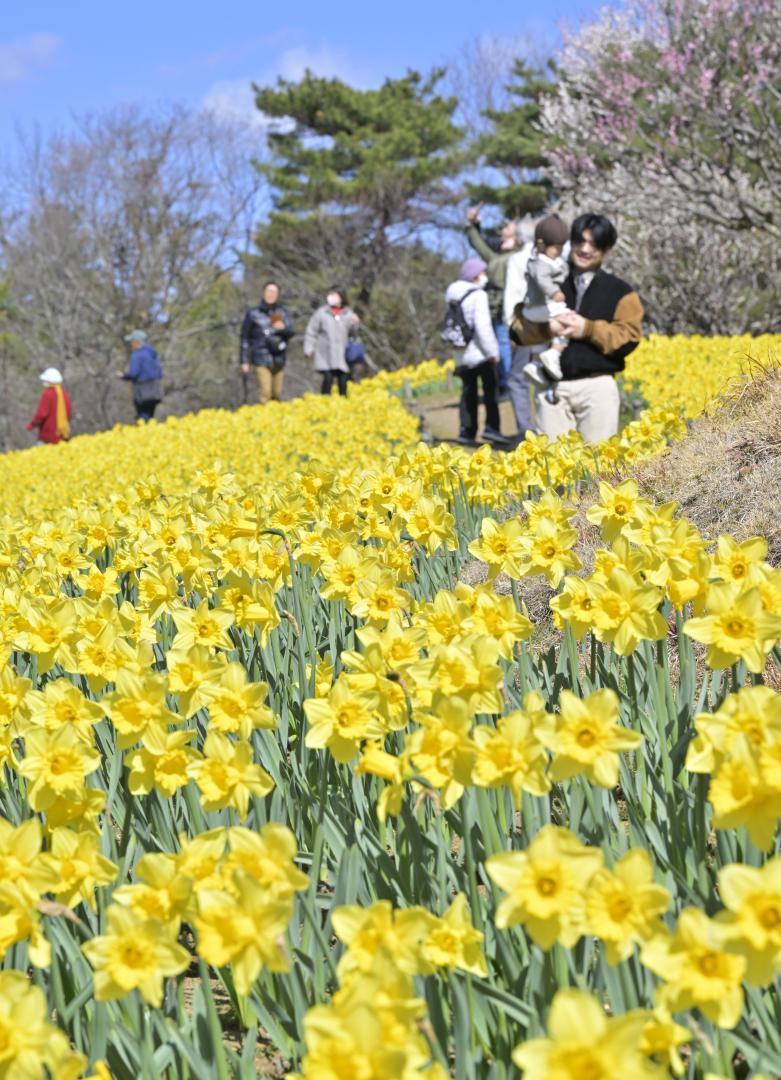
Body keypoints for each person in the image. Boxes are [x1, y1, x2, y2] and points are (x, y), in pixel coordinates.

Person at [511, 213, 643, 443]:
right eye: (580, 241)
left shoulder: (621, 291)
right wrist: (548, 328)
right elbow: (516, 330)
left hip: (597, 387)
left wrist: (588, 329)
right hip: (551, 387)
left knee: (599, 461)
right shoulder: (545, 279)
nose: (585, 249)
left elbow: (630, 338)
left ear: (607, 249)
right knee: (553, 463)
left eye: (594, 244)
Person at [445, 258, 510, 445]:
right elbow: (483, 327)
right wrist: (493, 353)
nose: (485, 276)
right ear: (475, 275)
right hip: (481, 353)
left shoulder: (452, 294)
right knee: (490, 392)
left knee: (468, 392)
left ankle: (466, 432)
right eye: (482, 273)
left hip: (461, 352)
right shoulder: (478, 295)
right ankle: (492, 428)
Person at [465, 206, 518, 394]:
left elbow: (483, 246)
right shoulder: (499, 257)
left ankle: (507, 382)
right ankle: (504, 381)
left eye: (507, 232)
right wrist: (473, 225)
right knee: (499, 344)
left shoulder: (513, 258)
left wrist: (473, 226)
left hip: (504, 307)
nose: (502, 234)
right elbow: (482, 244)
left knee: (503, 344)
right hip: (496, 307)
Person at [521, 214, 572, 396]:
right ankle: (555, 353)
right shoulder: (540, 263)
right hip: (542, 306)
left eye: (561, 247)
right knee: (569, 320)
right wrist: (554, 292)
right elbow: (543, 280)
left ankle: (535, 364)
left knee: (540, 338)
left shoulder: (542, 261)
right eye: (555, 248)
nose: (558, 251)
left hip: (533, 310)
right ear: (541, 244)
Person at [239, 281, 295, 404]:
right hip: (260, 356)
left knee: (277, 393)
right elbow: (245, 338)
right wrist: (244, 361)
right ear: (263, 292)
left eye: (274, 292)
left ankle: (275, 415)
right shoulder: (253, 314)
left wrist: (283, 328)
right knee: (265, 392)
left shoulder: (282, 312)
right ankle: (264, 415)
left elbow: (291, 331)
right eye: (269, 291)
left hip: (278, 357)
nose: (271, 294)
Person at [304, 287, 360, 397]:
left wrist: (355, 324)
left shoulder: (348, 313)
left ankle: (342, 403)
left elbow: (353, 334)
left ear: (342, 297)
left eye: (334, 295)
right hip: (325, 353)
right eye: (330, 295)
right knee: (328, 378)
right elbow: (311, 331)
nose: (331, 298)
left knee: (343, 381)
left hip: (342, 353)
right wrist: (309, 348)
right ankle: (325, 402)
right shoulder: (321, 313)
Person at [118, 331, 163, 422]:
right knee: (151, 417)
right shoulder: (152, 353)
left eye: (131, 342)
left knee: (143, 418)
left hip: (142, 393)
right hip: (155, 391)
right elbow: (159, 372)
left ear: (136, 342)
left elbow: (134, 374)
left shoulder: (137, 355)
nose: (131, 344)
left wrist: (123, 376)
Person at [27, 368, 71, 445]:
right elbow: (68, 414)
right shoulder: (64, 394)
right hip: (62, 436)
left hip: (47, 436)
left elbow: (41, 414)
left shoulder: (47, 394)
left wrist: (32, 425)